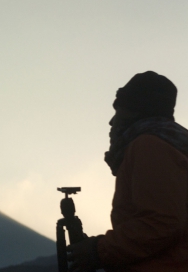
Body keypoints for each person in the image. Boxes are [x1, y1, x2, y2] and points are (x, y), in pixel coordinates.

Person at [67, 71, 188, 272]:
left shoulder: (149, 146)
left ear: (134, 111)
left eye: (118, 110)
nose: (111, 122)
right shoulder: (171, 146)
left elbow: (162, 223)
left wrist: (98, 251)